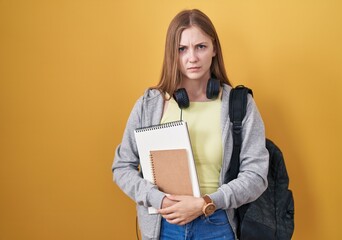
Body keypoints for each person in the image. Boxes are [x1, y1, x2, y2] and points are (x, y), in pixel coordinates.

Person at [112, 9, 269, 240]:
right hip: (163, 226)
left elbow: (256, 176)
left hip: (217, 224)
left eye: (201, 47)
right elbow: (122, 167)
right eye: (182, 49)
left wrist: (207, 203)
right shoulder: (150, 104)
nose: (192, 58)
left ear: (214, 49)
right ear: (171, 54)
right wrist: (160, 200)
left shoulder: (239, 104)